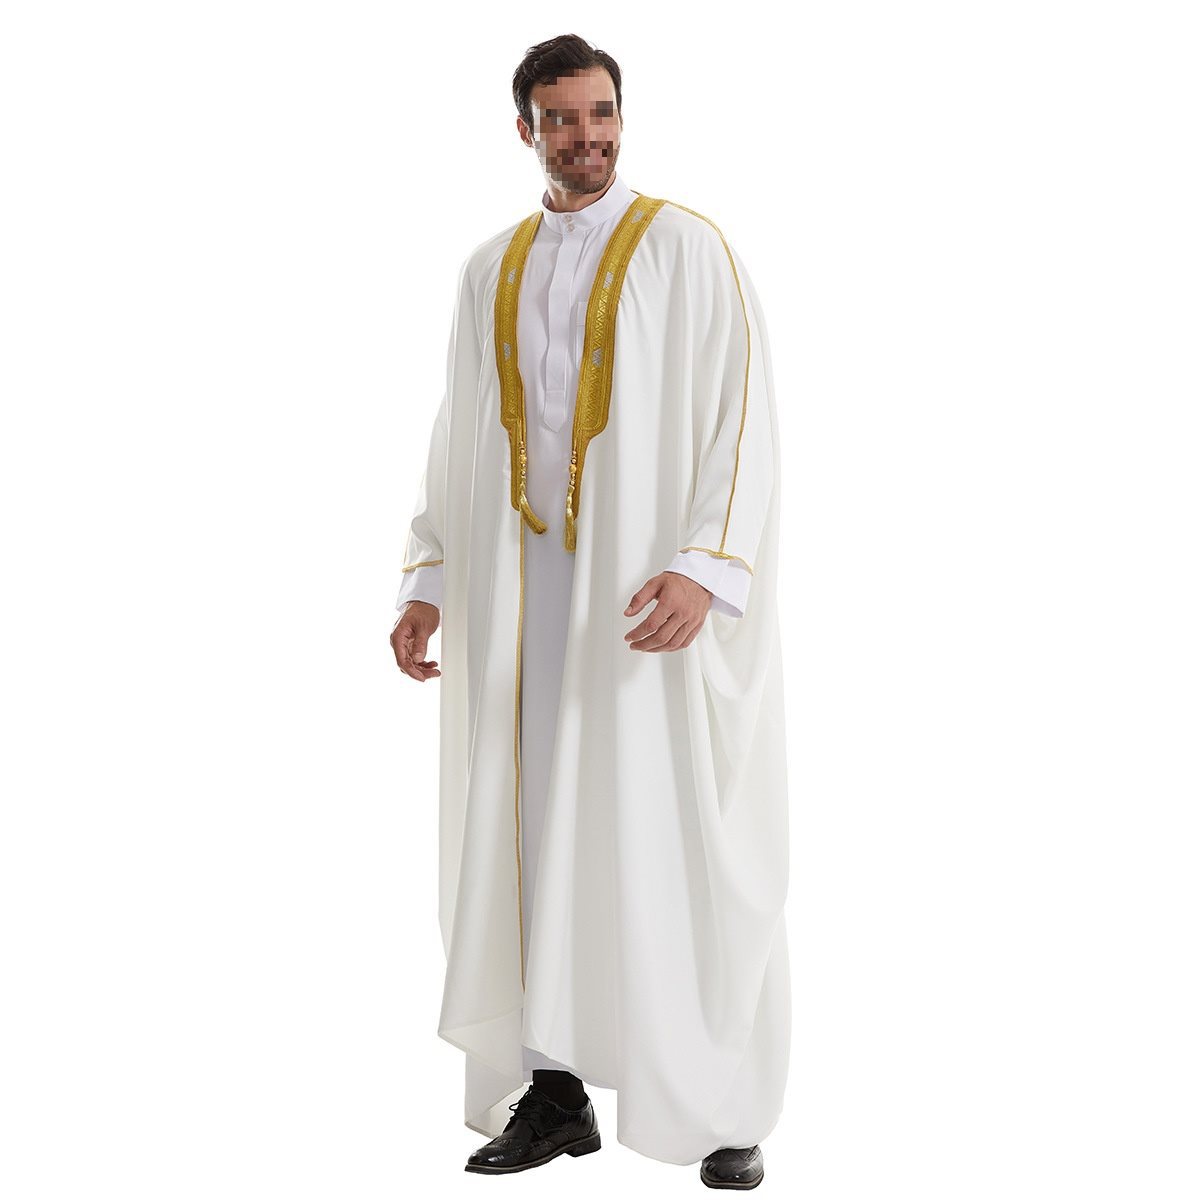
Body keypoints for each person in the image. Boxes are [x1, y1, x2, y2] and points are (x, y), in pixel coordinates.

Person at [390, 33, 789, 1190]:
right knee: (531, 838)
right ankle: (555, 1092)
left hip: (642, 606)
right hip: (521, 609)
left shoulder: (686, 247)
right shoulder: (490, 267)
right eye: (561, 118)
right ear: (526, 129)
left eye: (601, 112)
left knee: (668, 832)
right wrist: (429, 580)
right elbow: (460, 425)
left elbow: (744, 413)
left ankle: (717, 1102)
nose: (587, 136)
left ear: (622, 115)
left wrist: (706, 564)